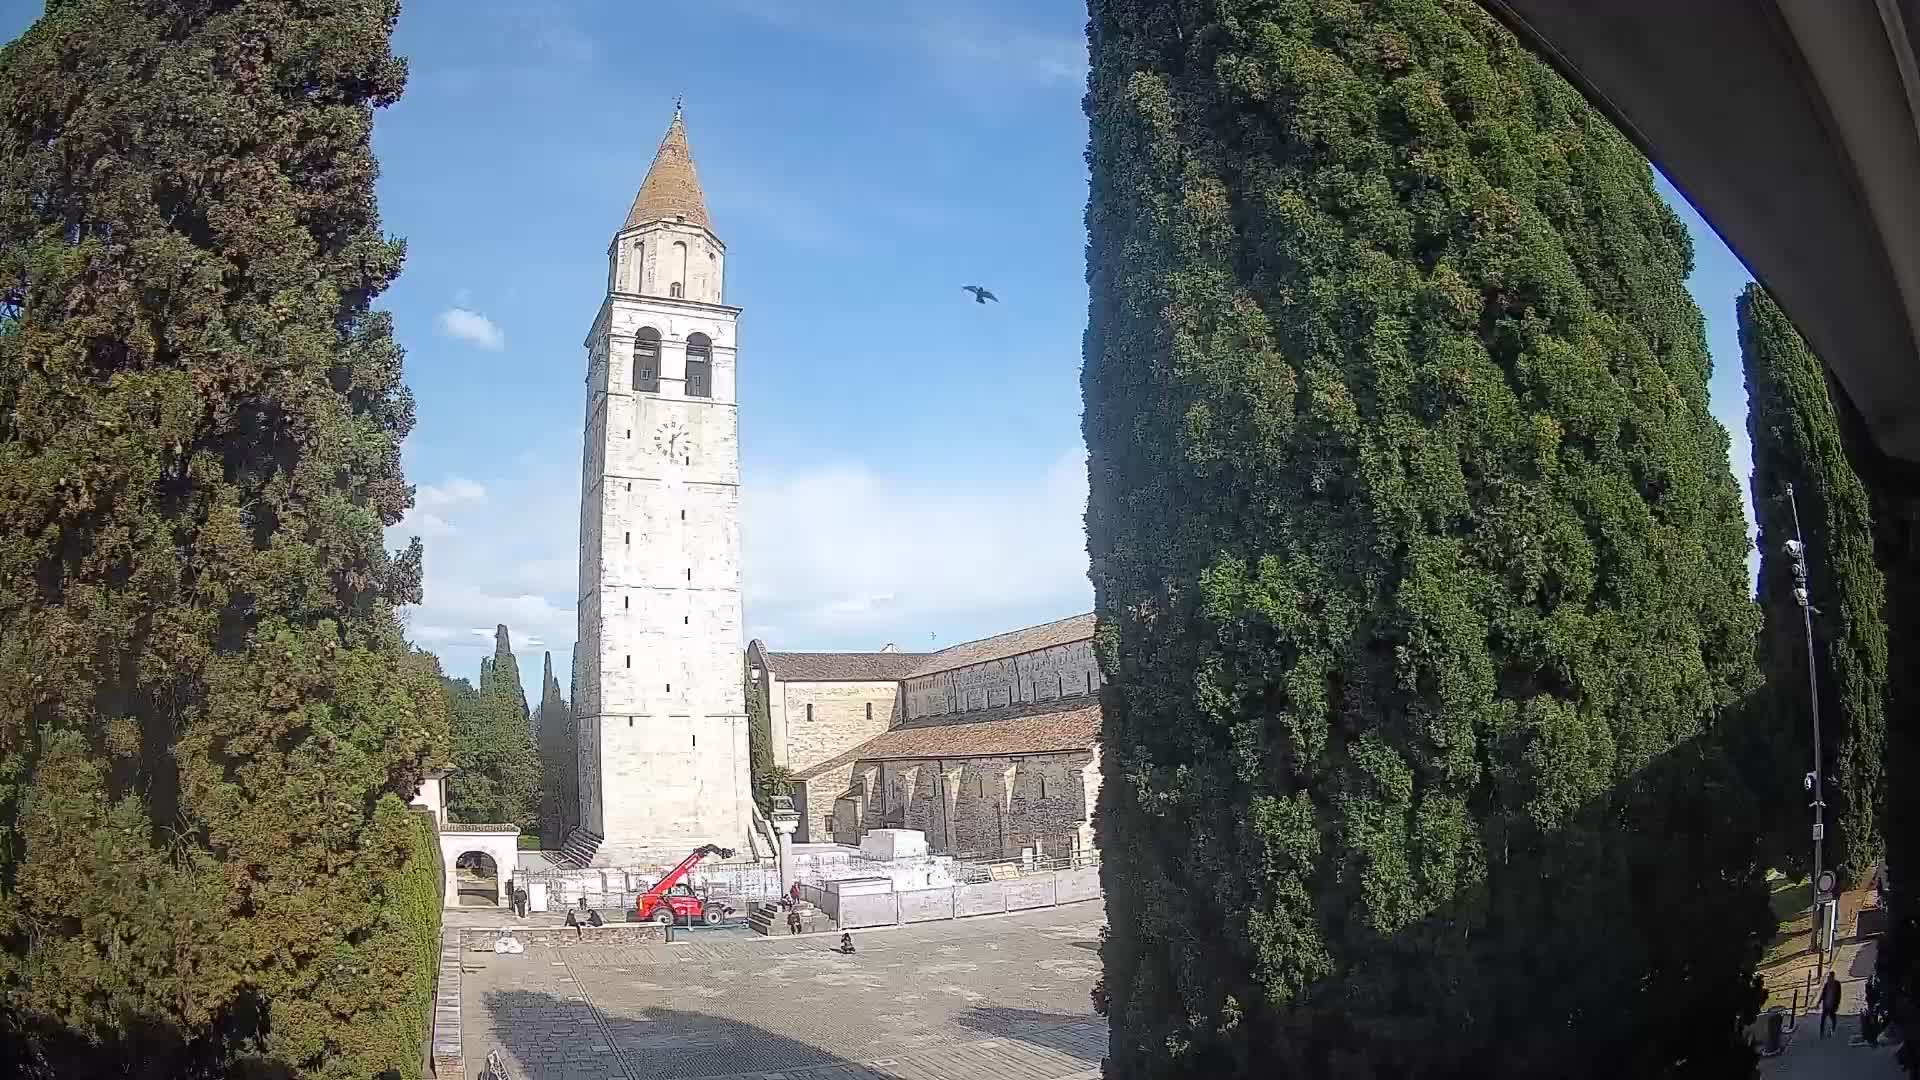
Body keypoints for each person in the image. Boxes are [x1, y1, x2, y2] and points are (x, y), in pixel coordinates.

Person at [1820, 971, 1843, 1038]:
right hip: (1826, 1005)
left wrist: (1837, 1004)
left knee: (1833, 1019)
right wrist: (1819, 1001)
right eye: (1829, 976)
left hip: (1833, 1005)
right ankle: (1822, 1033)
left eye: (1831, 976)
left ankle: (1832, 1030)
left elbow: (1839, 995)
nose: (1830, 978)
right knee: (1823, 1019)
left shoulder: (1837, 984)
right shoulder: (1827, 984)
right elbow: (1823, 993)